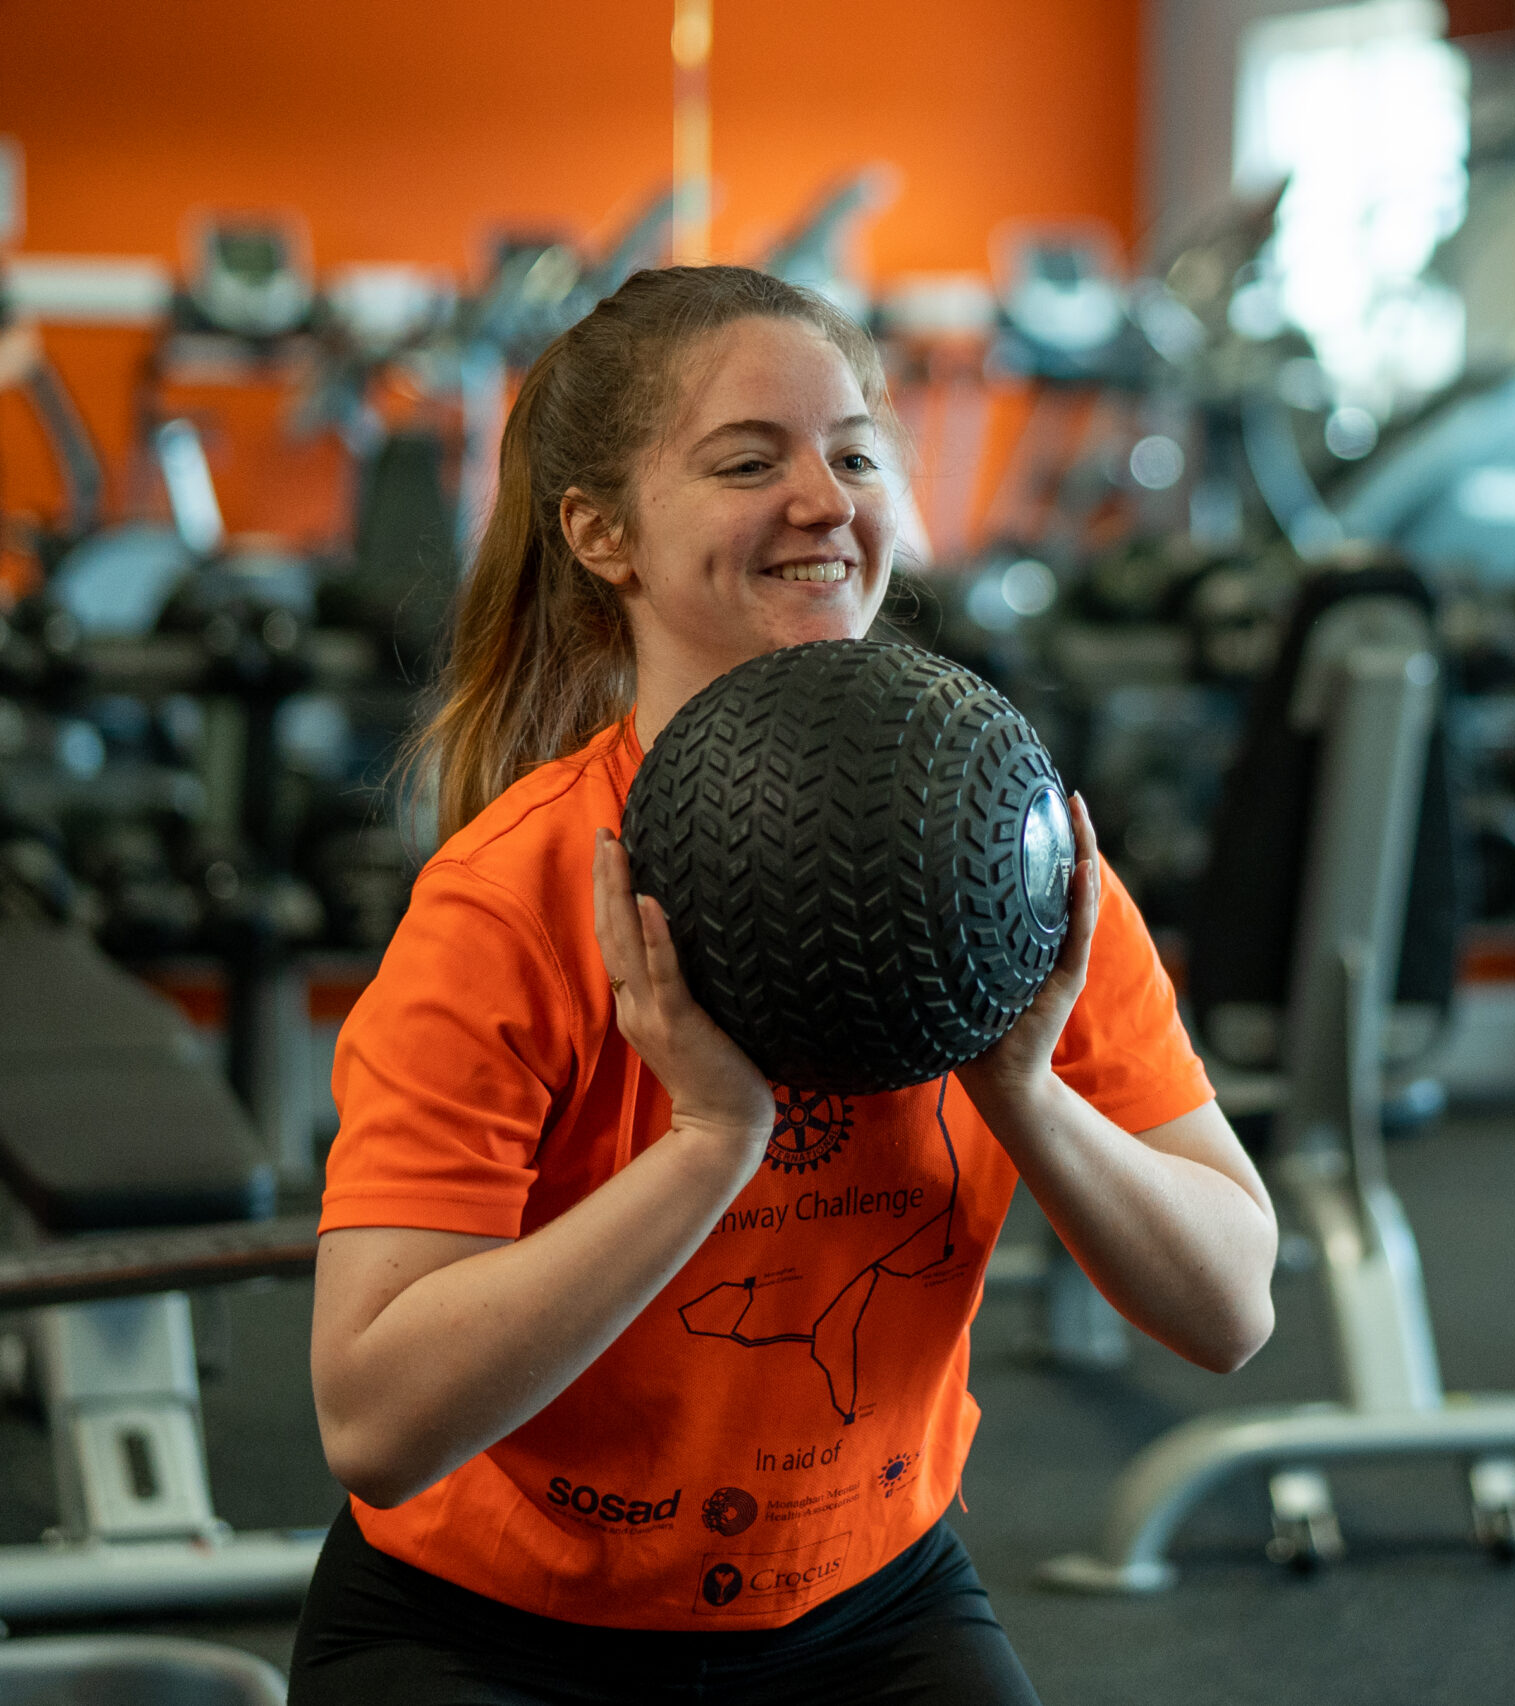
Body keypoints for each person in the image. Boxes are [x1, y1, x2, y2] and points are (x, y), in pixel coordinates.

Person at [291, 265, 1278, 1704]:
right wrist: (709, 1145)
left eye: (857, 453)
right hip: (492, 1627)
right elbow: (374, 1416)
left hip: (867, 1604)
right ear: (601, 532)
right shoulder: (510, 899)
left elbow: (1231, 1304)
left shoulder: (1025, 862)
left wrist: (1020, 1084)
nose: (827, 500)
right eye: (750, 461)